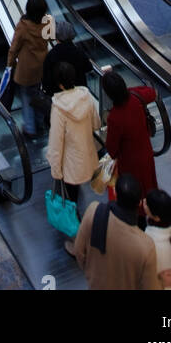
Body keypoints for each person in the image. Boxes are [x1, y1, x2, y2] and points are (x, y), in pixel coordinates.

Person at [72, 174, 161, 290]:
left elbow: (79, 252)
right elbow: (150, 287)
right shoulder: (145, 246)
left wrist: (92, 274)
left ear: (115, 193)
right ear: (139, 203)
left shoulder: (93, 211)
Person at [48, 63, 101, 249]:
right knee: (80, 196)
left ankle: (79, 242)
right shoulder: (86, 97)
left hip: (70, 164)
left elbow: (56, 142)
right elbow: (96, 124)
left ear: (60, 84)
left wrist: (55, 170)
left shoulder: (59, 108)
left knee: (70, 202)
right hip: (87, 155)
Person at [5, 0, 55, 138]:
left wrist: (9, 65)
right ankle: (39, 123)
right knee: (38, 96)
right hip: (42, 67)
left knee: (27, 98)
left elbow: (14, 48)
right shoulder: (47, 21)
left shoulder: (23, 25)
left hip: (26, 70)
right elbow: (50, 37)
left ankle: (29, 129)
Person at [102, 71, 157, 202]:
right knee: (149, 186)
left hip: (129, 162)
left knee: (134, 194)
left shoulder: (114, 117)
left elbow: (112, 149)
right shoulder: (136, 97)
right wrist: (131, 90)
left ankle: (139, 217)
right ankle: (152, 211)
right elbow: (152, 92)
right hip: (146, 153)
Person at [41, 20, 92, 97]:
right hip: (79, 93)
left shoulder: (51, 55)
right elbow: (88, 68)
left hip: (59, 96)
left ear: (56, 36)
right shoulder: (78, 51)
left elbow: (46, 81)